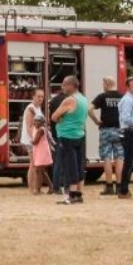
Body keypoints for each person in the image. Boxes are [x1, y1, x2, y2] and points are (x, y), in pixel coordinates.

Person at [50, 75, 89, 204]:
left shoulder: (69, 100)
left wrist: (61, 119)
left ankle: (71, 195)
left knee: (69, 166)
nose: (63, 87)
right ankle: (78, 194)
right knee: (78, 165)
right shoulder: (83, 99)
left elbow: (54, 117)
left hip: (67, 136)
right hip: (79, 134)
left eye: (64, 84)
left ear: (72, 85)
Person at [90, 77, 123, 196]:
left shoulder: (102, 96)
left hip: (106, 130)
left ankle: (109, 186)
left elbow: (89, 109)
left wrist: (96, 121)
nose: (102, 86)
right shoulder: (121, 96)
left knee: (107, 158)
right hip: (119, 130)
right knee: (120, 157)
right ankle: (119, 186)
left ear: (107, 84)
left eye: (103, 83)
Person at [21, 90, 46, 194]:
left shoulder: (38, 108)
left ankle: (36, 187)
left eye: (42, 96)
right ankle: (32, 189)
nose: (40, 98)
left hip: (35, 140)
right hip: (30, 140)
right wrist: (34, 139)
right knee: (33, 164)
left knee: (36, 164)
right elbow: (29, 126)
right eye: (38, 96)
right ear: (33, 96)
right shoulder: (30, 108)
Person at [47, 86, 66, 196]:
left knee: (57, 161)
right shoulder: (70, 99)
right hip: (66, 133)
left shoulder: (53, 100)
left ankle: (56, 186)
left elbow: (51, 117)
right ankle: (64, 185)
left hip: (55, 133)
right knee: (67, 161)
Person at [30, 115, 53, 193]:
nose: (36, 122)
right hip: (39, 151)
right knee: (41, 171)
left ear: (43, 123)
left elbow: (35, 141)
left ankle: (38, 189)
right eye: (35, 121)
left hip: (42, 151)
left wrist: (30, 142)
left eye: (38, 121)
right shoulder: (36, 129)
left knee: (38, 170)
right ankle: (50, 187)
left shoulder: (41, 130)